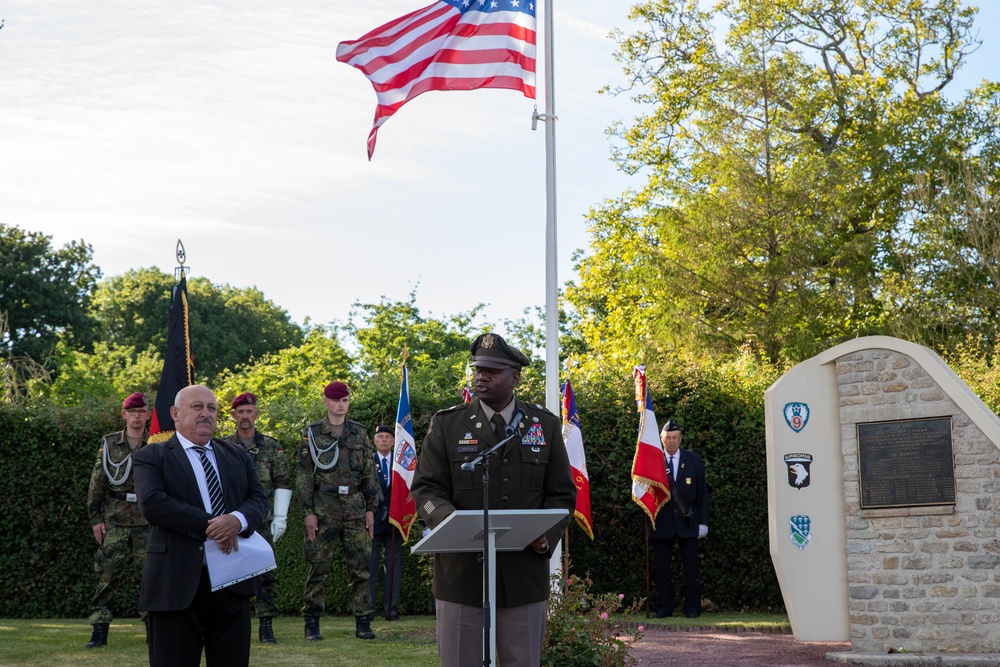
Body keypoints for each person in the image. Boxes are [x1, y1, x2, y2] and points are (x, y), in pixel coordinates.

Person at [411, 332, 577, 667]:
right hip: (461, 577)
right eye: (478, 369)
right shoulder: (448, 425)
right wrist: (450, 523)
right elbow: (426, 489)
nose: (482, 376)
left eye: (492, 371)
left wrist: (546, 537)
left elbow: (562, 493)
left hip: (523, 576)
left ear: (515, 377)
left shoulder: (543, 425)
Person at [133, 384, 270, 667]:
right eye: (197, 407)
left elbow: (258, 499)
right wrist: (215, 525)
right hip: (176, 585)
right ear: (175, 413)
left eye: (212, 408)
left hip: (232, 584)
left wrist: (237, 520)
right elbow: (154, 504)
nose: (206, 414)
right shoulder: (152, 456)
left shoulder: (236, 455)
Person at [297, 381, 378, 641]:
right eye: (336, 400)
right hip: (324, 509)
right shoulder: (312, 432)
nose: (340, 404)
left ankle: (363, 622)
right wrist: (307, 512)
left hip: (355, 508)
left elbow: (368, 473)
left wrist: (370, 508)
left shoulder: (359, 432)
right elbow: (303, 477)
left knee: (361, 567)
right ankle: (312, 622)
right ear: (326, 402)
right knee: (318, 567)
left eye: (345, 400)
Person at [223, 392, 292, 644]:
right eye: (240, 412)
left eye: (249, 411)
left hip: (261, 519)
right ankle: (230, 624)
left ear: (256, 414)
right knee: (229, 571)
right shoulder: (223, 446)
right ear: (233, 415)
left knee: (266, 573)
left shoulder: (271, 446)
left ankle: (266, 625)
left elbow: (282, 481)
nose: (244, 416)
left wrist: (280, 517)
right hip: (231, 520)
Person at [84, 391, 151, 648]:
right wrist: (95, 518)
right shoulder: (110, 443)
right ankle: (99, 631)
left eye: (141, 412)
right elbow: (97, 483)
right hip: (115, 520)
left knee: (151, 577)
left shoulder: (156, 443)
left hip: (147, 521)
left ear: (147, 415)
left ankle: (152, 627)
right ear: (124, 415)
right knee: (106, 577)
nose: (136, 416)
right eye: (131, 412)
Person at [651, 420, 710, 618]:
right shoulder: (653, 460)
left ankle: (693, 607)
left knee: (691, 568)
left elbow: (702, 493)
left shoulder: (693, 459)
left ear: (680, 439)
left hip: (688, 521)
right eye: (668, 438)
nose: (671, 442)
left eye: (675, 438)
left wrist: (703, 522)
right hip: (662, 521)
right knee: (661, 569)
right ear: (661, 438)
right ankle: (663, 607)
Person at [369, 424, 403, 621]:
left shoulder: (400, 464)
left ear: (393, 441)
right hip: (372, 520)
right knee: (370, 567)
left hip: (394, 522)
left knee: (393, 567)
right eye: (380, 437)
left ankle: (391, 610)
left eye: (388, 437)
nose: (384, 440)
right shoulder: (368, 461)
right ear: (374, 440)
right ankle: (370, 610)